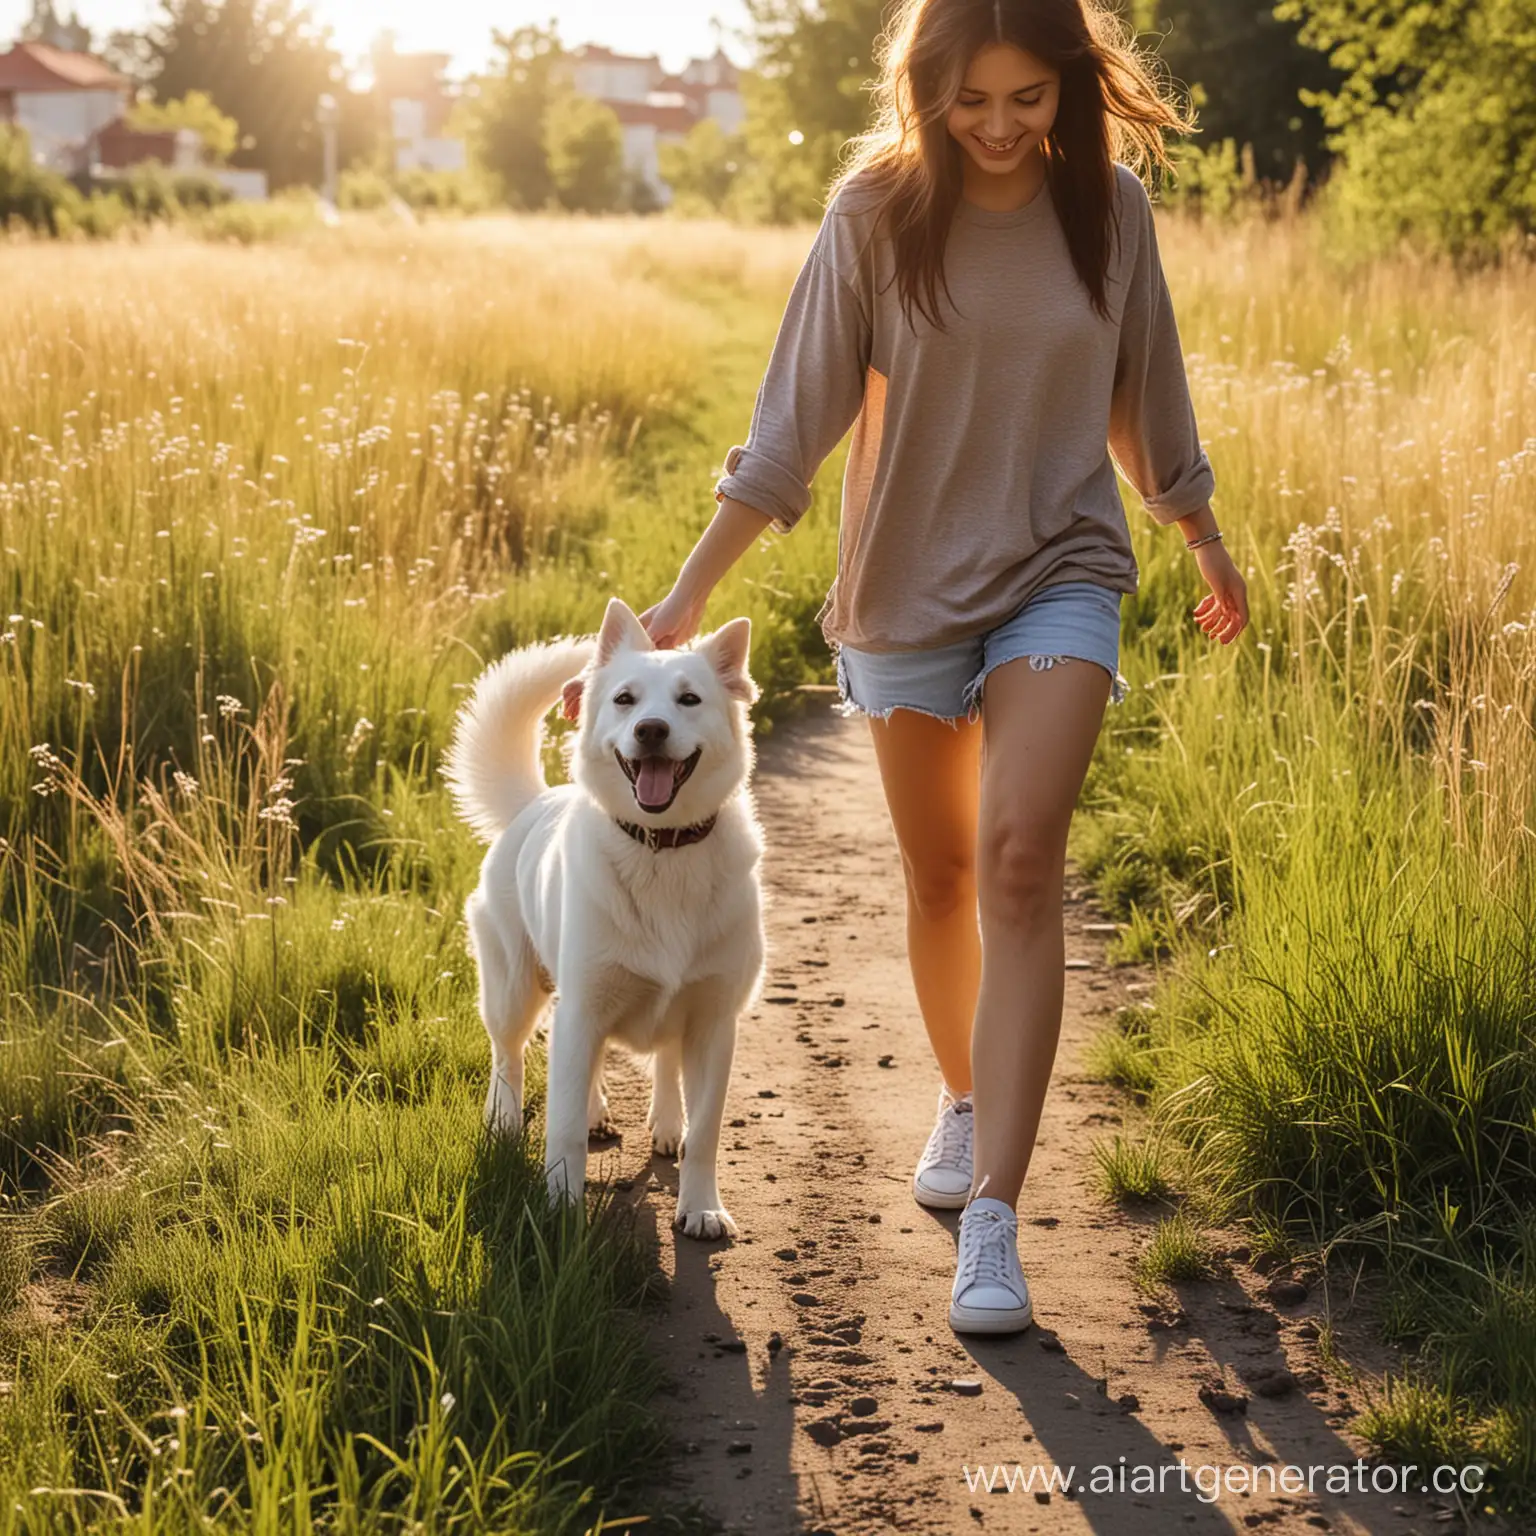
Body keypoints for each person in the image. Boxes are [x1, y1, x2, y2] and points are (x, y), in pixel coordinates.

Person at [568, 0, 1248, 1335]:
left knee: (1015, 860)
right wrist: (689, 591)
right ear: (925, 89)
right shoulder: (874, 212)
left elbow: (1143, 396)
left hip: (1062, 566)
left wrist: (1202, 534)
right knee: (939, 876)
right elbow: (793, 422)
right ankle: (961, 1091)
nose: (1001, 129)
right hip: (907, 592)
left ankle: (992, 1215)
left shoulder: (1111, 211)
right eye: (972, 102)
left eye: (1030, 101)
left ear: (1070, 87)